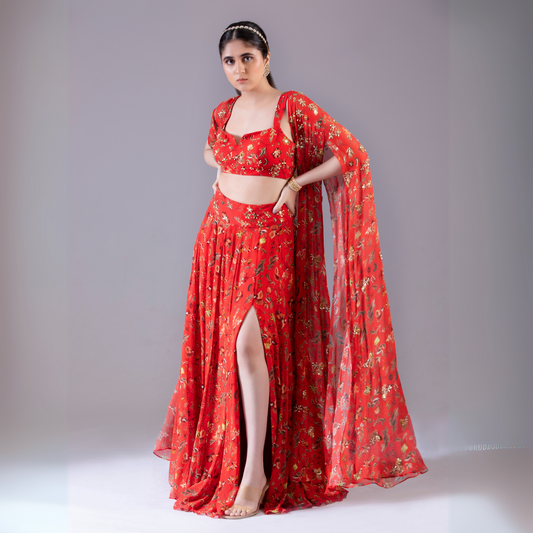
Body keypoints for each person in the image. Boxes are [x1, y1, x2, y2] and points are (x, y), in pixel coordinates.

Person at [153, 21, 429, 519]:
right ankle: (238, 463)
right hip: (220, 238)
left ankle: (256, 474)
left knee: (249, 344)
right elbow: (213, 151)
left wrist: (297, 183)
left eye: (247, 58)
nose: (239, 69)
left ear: (266, 57)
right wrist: (222, 170)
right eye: (229, 61)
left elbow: (351, 153)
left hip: (268, 238)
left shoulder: (291, 107)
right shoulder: (222, 112)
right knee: (228, 348)